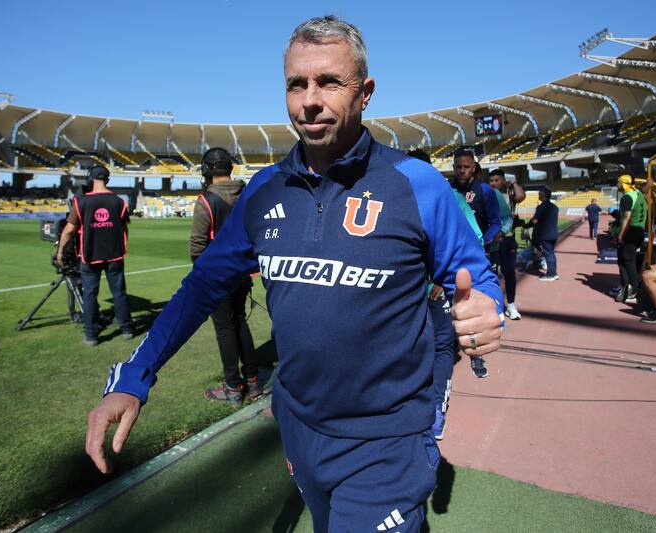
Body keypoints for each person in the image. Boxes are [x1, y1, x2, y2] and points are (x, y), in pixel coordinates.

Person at [85, 16, 502, 532]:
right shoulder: (263, 191)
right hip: (300, 429)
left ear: (365, 92)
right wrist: (136, 374)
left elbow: (477, 280)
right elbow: (202, 288)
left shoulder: (416, 184)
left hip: (386, 442)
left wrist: (487, 307)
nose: (309, 99)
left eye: (329, 81)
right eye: (296, 84)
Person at [408, 149, 483, 440]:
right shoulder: (394, 197)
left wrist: (443, 275)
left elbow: (473, 240)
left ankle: (436, 408)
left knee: (440, 347)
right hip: (405, 292)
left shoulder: (450, 198)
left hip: (433, 292)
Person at [190, 147, 261, 405]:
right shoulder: (247, 195)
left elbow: (197, 245)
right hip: (242, 272)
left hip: (216, 275)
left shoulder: (206, 200)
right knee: (240, 322)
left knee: (224, 329)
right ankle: (253, 381)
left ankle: (233, 387)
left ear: (208, 170)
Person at [57, 165, 135, 346]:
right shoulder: (118, 201)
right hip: (114, 254)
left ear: (90, 180)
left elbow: (69, 231)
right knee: (119, 293)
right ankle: (127, 329)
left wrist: (60, 251)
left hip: (90, 255)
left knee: (90, 295)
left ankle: (91, 335)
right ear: (107, 179)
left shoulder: (81, 202)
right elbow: (124, 228)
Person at [451, 150, 501, 378]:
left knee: (474, 301)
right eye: (458, 166)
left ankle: (476, 353)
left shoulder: (485, 192)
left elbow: (496, 222)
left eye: (466, 167)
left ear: (474, 168)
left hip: (474, 254)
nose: (462, 170)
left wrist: (482, 245)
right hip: (449, 253)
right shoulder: (447, 190)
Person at [488, 169, 525, 320]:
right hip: (493, 240)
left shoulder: (510, 192)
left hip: (508, 238)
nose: (494, 183)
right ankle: (496, 305)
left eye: (497, 180)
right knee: (493, 273)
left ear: (503, 180)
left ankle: (511, 304)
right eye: (491, 181)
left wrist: (514, 183)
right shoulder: (487, 194)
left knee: (509, 271)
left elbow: (521, 196)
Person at [615, 174, 647, 304]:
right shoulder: (637, 193)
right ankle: (626, 288)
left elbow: (627, 218)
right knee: (624, 260)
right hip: (639, 231)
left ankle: (634, 292)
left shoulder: (627, 198)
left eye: (618, 183)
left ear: (623, 184)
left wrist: (621, 234)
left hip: (631, 231)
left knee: (628, 261)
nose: (617, 185)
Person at [526, 186, 559, 281]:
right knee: (550, 253)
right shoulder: (554, 207)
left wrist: (527, 225)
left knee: (548, 254)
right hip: (553, 234)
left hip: (544, 235)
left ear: (543, 195)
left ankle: (551, 274)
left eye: (539, 193)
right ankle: (552, 272)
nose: (538, 195)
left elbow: (535, 221)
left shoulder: (541, 207)